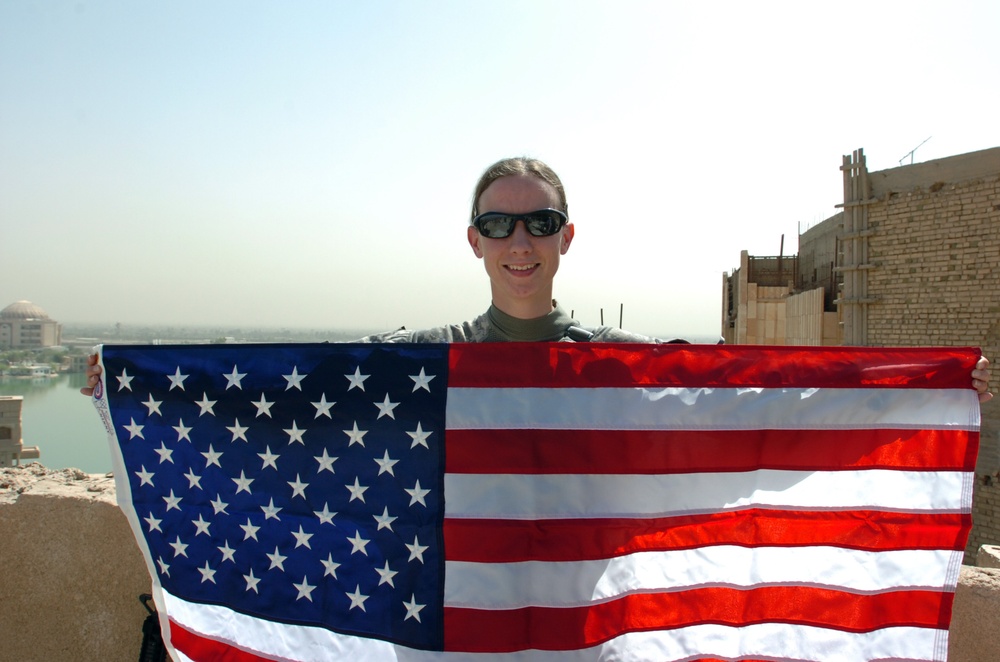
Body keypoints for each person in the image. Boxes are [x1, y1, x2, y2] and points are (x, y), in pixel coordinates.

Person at [79, 157, 994, 400]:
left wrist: (919, 385)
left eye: (539, 222)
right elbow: (294, 390)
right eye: (499, 224)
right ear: (473, 242)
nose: (521, 240)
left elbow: (752, 398)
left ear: (566, 239)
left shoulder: (622, 367)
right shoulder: (423, 361)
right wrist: (136, 383)